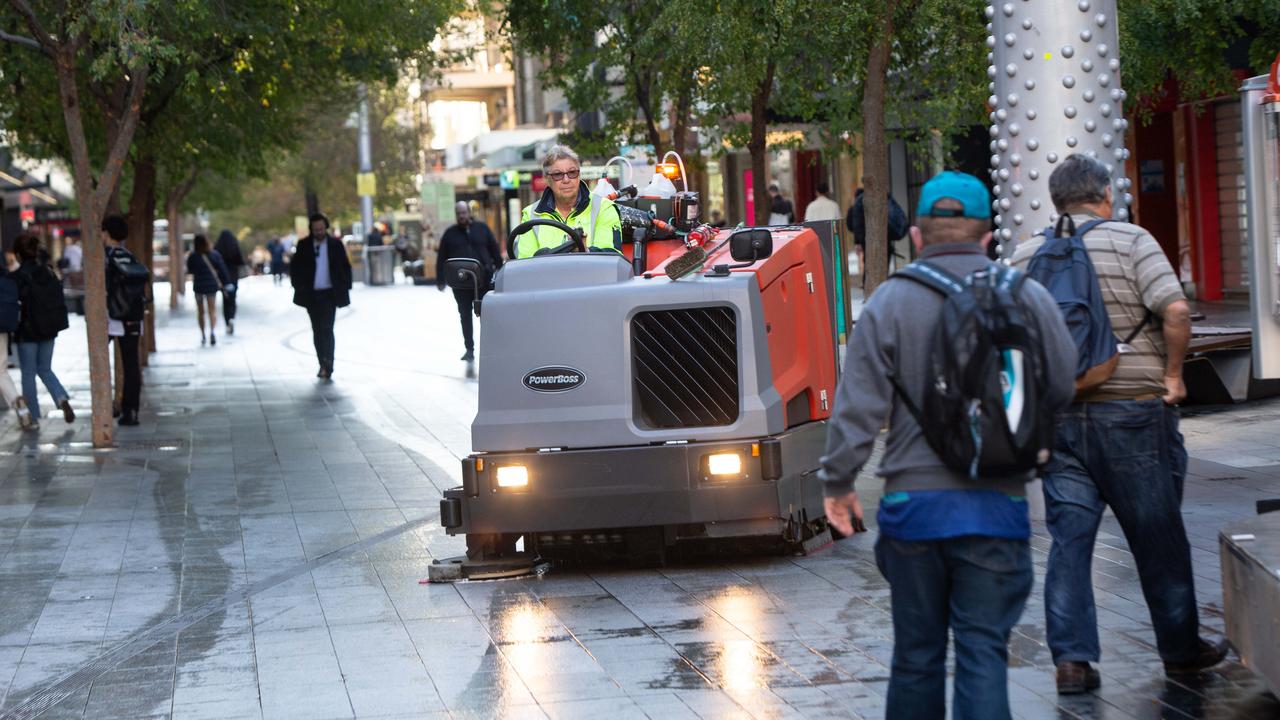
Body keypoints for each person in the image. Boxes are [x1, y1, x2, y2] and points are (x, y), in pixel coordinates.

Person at [821, 171, 1077, 720]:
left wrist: (838, 482)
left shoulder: (889, 303)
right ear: (989, 236)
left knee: (916, 656)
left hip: (913, 510)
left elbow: (857, 408)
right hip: (998, 503)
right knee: (984, 651)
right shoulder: (1026, 295)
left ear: (916, 236)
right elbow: (1061, 383)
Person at [1009, 154, 1227, 694]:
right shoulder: (1132, 241)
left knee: (1069, 542)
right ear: (1104, 195)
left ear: (1057, 200)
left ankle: (1072, 662)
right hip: (1133, 414)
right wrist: (1174, 377)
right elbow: (1175, 312)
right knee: (1158, 537)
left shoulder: (1026, 254)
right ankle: (1180, 652)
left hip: (1058, 420)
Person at [513, 145, 622, 259]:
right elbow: (525, 264)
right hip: (547, 277)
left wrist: (586, 251)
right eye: (558, 174)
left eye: (572, 172)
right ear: (547, 179)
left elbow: (611, 258)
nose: (566, 180)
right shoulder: (531, 214)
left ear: (579, 175)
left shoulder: (604, 208)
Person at [11, 234, 74, 429]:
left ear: (18, 255)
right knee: (45, 368)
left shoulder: (17, 277)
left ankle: (33, 417)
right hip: (48, 328)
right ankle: (61, 397)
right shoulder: (48, 272)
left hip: (27, 331)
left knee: (28, 373)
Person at [437, 201, 503, 362]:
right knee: (465, 316)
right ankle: (469, 349)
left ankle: (490, 349)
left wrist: (500, 273)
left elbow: (495, 251)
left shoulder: (482, 229)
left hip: (483, 281)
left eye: (464, 213)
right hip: (460, 285)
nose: (461, 216)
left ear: (469, 212)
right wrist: (440, 280)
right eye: (458, 213)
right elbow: (441, 258)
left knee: (487, 315)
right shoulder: (449, 234)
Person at [291, 213, 352, 379]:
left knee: (327, 328)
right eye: (316, 229)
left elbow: (345, 267)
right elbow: (295, 268)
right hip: (311, 294)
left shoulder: (335, 245)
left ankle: (328, 363)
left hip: (329, 294)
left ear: (326, 228)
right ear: (311, 229)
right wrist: (299, 286)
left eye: (321, 229)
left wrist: (345, 286)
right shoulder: (304, 246)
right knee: (317, 330)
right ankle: (322, 362)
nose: (319, 232)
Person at [103, 215, 149, 427]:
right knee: (131, 365)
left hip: (112, 317)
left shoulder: (106, 257)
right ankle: (131, 411)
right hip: (133, 315)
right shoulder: (130, 256)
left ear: (106, 234)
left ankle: (107, 406)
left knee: (101, 359)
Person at [847, 187, 909, 281]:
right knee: (884, 263)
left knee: (870, 264)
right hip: (886, 237)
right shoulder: (885, 197)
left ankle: (871, 284)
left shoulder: (859, 202)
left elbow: (856, 224)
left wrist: (858, 241)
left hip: (867, 239)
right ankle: (882, 283)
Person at [0, 260, 34, 429]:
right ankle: (19, 405)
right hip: (2, 329)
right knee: (1, 371)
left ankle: (17, 404)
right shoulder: (5, 279)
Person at [186, 235, 231, 346]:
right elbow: (222, 269)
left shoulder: (192, 256)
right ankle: (212, 332)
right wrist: (227, 283)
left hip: (198, 287)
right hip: (211, 286)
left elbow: (189, 270)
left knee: (200, 312)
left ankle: (203, 335)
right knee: (212, 310)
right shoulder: (214, 254)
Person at [214, 229, 246, 334]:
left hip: (223, 277)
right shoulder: (234, 245)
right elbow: (240, 260)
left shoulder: (218, 247)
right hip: (233, 276)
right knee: (232, 299)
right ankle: (232, 317)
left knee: (225, 300)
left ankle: (227, 321)